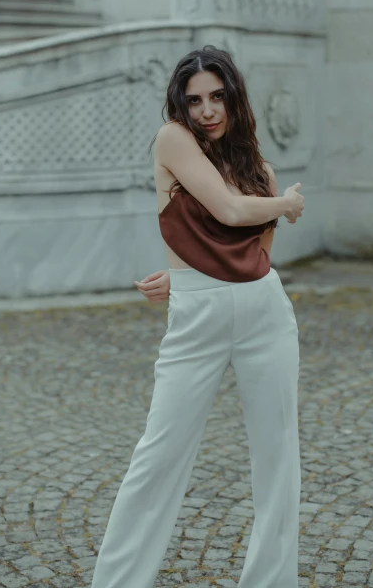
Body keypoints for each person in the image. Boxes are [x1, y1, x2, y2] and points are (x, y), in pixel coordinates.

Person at [90, 45, 305, 588]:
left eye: (217, 96)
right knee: (157, 457)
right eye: (195, 100)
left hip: (264, 313)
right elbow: (230, 212)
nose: (207, 110)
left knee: (278, 457)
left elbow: (252, 253)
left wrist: (183, 271)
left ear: (234, 98)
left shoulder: (259, 167)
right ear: (179, 105)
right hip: (197, 321)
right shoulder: (173, 138)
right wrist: (285, 203)